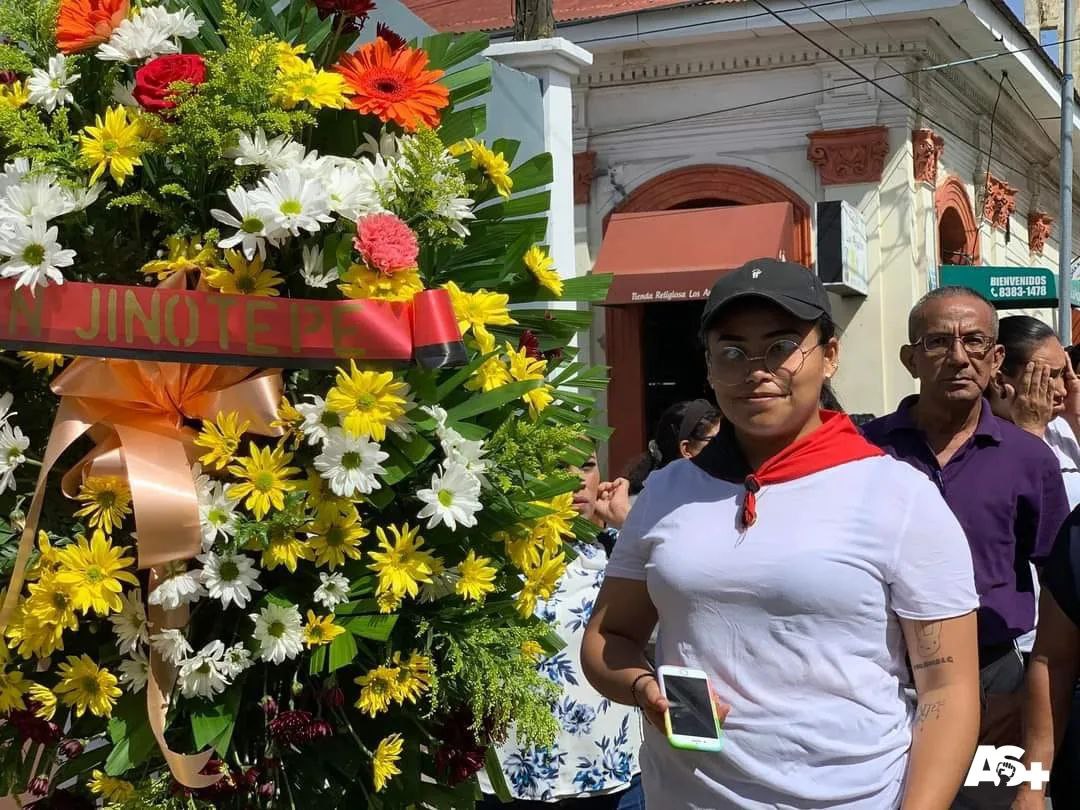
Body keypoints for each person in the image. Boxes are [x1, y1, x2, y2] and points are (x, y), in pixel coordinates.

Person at [581, 258, 981, 809]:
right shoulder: (668, 492)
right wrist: (644, 689)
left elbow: (948, 688)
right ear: (709, 366)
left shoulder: (897, 496)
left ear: (830, 355)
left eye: (781, 347)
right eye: (732, 352)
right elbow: (608, 638)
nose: (756, 370)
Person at [861, 288, 1070, 810]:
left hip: (993, 686)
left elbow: (1062, 595)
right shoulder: (864, 454)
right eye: (938, 342)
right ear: (910, 358)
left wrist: (1023, 708)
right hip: (880, 682)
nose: (959, 357)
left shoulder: (1029, 460)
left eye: (975, 341)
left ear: (996, 358)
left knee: (988, 805)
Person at [478, 450, 645, 809]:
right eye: (556, 466)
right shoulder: (491, 560)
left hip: (612, 775)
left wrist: (626, 522)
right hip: (515, 779)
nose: (576, 480)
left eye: (586, 466)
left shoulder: (619, 552)